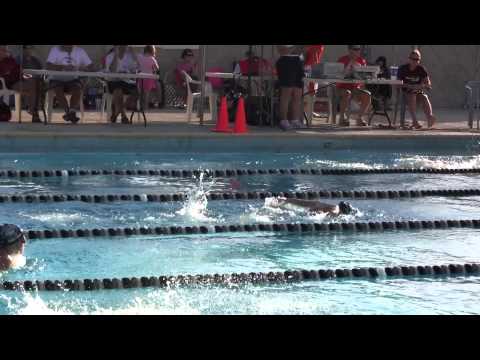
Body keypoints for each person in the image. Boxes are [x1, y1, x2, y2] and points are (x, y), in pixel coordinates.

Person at [46, 45, 95, 123]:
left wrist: (81, 68)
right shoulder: (55, 49)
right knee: (58, 88)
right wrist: (63, 67)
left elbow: (92, 67)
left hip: (73, 79)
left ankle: (71, 112)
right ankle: (69, 112)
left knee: (78, 88)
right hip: (56, 78)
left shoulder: (80, 51)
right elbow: (48, 66)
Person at [0, 45, 41, 123]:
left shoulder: (10, 60)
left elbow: (19, 72)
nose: (5, 52)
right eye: (2, 50)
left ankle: (33, 111)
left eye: (5, 50)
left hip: (15, 82)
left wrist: (27, 76)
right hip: (5, 85)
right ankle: (34, 112)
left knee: (34, 82)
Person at [397, 49, 436, 129]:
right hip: (406, 91)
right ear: (409, 59)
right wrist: (410, 86)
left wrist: (425, 85)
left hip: (418, 91)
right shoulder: (403, 69)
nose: (415, 61)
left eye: (418, 59)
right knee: (412, 96)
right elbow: (398, 84)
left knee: (425, 97)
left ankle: (430, 117)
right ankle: (415, 121)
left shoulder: (421, 69)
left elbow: (428, 82)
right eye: (413, 59)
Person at [337, 45, 372, 127]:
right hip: (342, 87)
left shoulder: (361, 61)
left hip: (355, 88)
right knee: (346, 93)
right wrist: (350, 64)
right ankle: (342, 118)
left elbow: (363, 78)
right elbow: (339, 76)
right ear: (349, 50)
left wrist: (360, 69)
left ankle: (359, 118)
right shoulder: (342, 60)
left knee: (367, 95)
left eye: (359, 49)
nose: (358, 51)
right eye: (355, 49)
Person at [105, 45, 140, 124]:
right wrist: (116, 56)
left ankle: (116, 112)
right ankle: (124, 116)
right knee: (118, 91)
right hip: (114, 81)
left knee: (136, 93)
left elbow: (137, 68)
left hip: (127, 81)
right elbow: (112, 70)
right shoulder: (110, 56)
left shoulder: (129, 56)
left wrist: (133, 54)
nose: (123, 47)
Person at [276, 45, 305, 130]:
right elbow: (282, 51)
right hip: (286, 61)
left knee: (297, 94)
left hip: (298, 61)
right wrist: (295, 48)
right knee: (286, 94)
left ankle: (295, 120)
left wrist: (297, 49)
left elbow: (301, 50)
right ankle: (283, 120)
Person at [137, 45, 162, 109]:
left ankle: (140, 106)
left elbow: (137, 64)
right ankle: (146, 107)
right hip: (149, 77)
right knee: (146, 93)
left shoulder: (139, 57)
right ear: (152, 51)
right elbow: (157, 68)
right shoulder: (152, 59)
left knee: (140, 92)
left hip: (141, 77)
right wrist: (152, 68)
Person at [270, 198, 355, 216]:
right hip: (315, 207)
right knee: (296, 207)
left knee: (296, 202)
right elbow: (328, 214)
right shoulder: (335, 212)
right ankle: (277, 205)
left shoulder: (337, 208)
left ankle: (281, 201)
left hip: (316, 204)